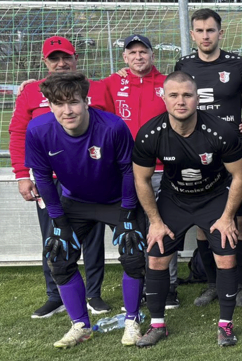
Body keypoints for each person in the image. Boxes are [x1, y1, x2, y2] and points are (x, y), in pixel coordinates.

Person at [25, 71, 146, 347]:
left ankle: (132, 320)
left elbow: (129, 170)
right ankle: (80, 325)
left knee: (133, 255)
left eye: (74, 102)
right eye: (59, 103)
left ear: (86, 101)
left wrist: (128, 212)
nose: (67, 110)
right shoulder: (38, 130)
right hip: (75, 202)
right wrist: (58, 219)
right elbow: (42, 177)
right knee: (59, 257)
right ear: (50, 105)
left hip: (117, 201)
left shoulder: (113, 126)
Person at [132, 71, 242, 347]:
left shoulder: (221, 131)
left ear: (198, 98)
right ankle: (157, 325)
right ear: (164, 97)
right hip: (175, 199)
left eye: (187, 95)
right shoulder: (150, 133)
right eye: (173, 95)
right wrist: (156, 222)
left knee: (226, 256)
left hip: (214, 197)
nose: (180, 101)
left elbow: (240, 176)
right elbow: (142, 179)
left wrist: (228, 217)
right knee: (157, 255)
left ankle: (225, 326)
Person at [10, 36, 113, 318]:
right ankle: (55, 295)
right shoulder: (31, 92)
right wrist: (22, 174)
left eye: (65, 57)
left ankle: (93, 294)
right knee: (53, 236)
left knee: (92, 236)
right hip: (47, 178)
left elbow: (109, 130)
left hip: (88, 176)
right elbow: (19, 133)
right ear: (45, 62)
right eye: (53, 59)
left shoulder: (98, 88)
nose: (60, 63)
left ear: (75, 58)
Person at [174, 8, 242, 308]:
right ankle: (212, 284)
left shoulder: (239, 65)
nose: (205, 36)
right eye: (200, 30)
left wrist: (235, 121)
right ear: (192, 33)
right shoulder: (184, 64)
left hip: (232, 154)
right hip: (195, 155)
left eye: (211, 30)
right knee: (202, 224)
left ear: (221, 33)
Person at [102, 34, 181, 310]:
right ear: (125, 57)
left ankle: (169, 287)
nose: (138, 56)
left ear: (152, 55)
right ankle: (142, 286)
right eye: (132, 52)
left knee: (163, 226)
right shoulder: (112, 83)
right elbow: (77, 91)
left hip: (162, 169)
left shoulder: (167, 83)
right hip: (125, 172)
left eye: (143, 51)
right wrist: (34, 85)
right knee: (133, 230)